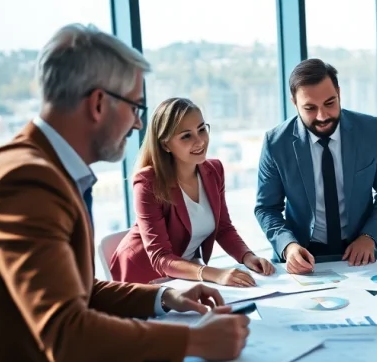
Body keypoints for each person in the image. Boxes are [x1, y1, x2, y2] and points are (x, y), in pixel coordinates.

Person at [0, 24, 250, 362]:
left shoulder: (46, 168)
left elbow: (80, 290)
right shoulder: (26, 182)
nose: (137, 123)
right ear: (98, 104)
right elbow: (65, 333)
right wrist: (194, 341)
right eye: (134, 107)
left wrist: (166, 297)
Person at [255, 58, 377, 274]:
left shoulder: (371, 130)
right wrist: (288, 246)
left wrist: (369, 236)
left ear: (339, 93)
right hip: (304, 254)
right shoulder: (276, 143)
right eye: (310, 108)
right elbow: (266, 208)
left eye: (329, 103)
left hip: (362, 252)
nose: (322, 116)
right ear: (294, 102)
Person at [109, 98, 274, 286]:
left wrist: (247, 256)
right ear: (165, 145)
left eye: (202, 130)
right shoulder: (147, 182)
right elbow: (160, 257)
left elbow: (223, 228)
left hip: (185, 276)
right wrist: (216, 274)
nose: (200, 141)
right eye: (186, 136)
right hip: (143, 278)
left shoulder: (214, 170)